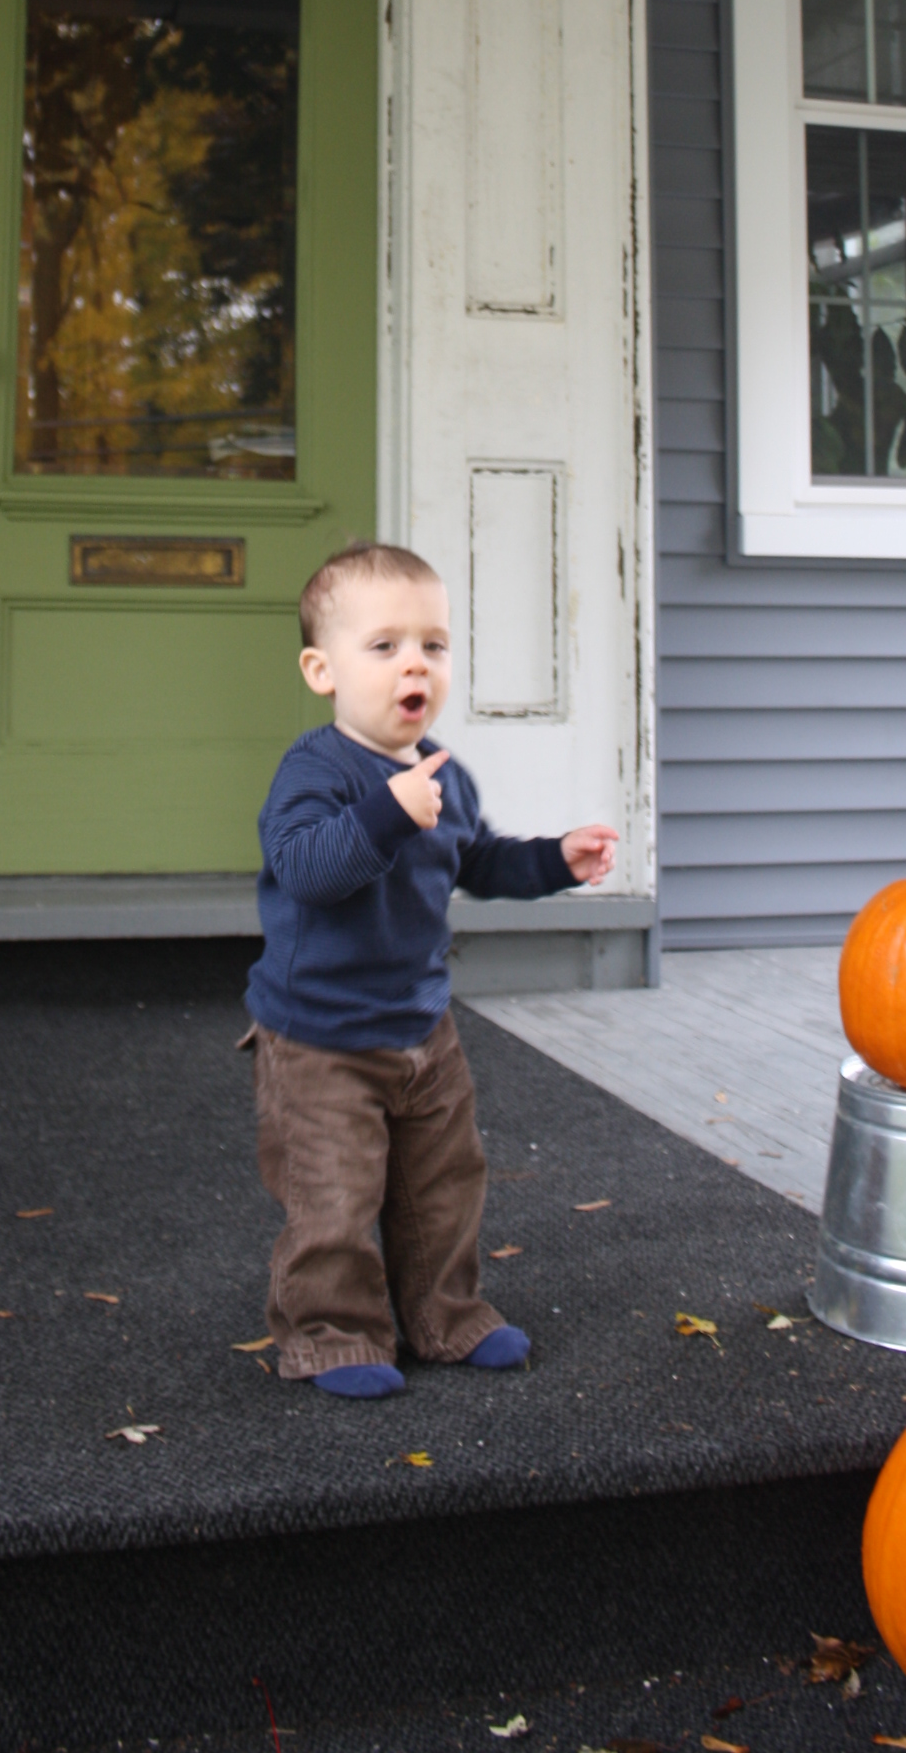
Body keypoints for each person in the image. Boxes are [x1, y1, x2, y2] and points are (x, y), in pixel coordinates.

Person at [241, 540, 619, 1399]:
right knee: (333, 1198)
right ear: (322, 671)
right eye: (384, 646)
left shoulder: (445, 774)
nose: (415, 663)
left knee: (442, 1187)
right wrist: (386, 813)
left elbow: (476, 861)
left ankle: (446, 1315)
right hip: (320, 1039)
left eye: (434, 645)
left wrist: (555, 859)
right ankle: (333, 1334)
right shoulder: (315, 772)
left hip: (422, 1026)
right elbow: (308, 869)